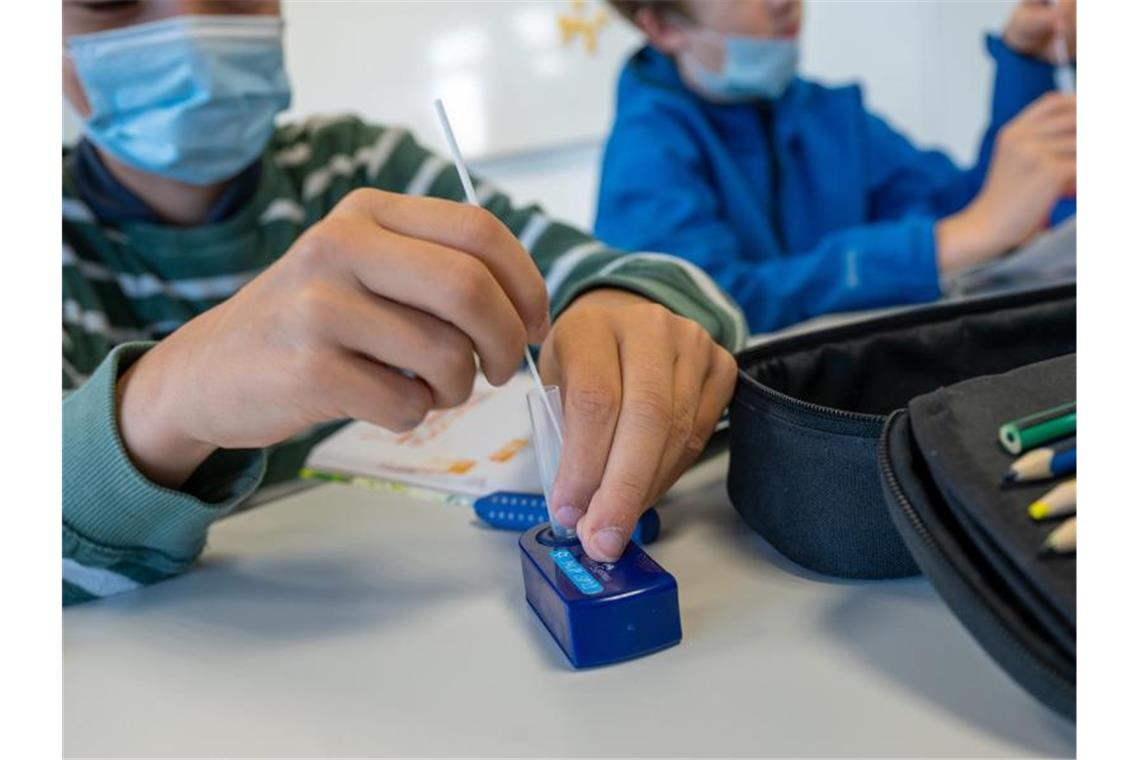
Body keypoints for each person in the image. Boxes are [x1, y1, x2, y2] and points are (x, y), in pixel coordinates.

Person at [62, 0, 747, 605]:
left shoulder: (363, 169)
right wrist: (168, 398)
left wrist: (629, 306)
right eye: (108, 0)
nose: (191, 30)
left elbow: (661, 283)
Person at [595, 0, 1077, 332]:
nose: (785, 2)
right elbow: (701, 308)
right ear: (662, 27)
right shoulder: (647, 154)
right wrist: (939, 246)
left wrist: (1025, 62)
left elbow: (981, 210)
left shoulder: (827, 114)